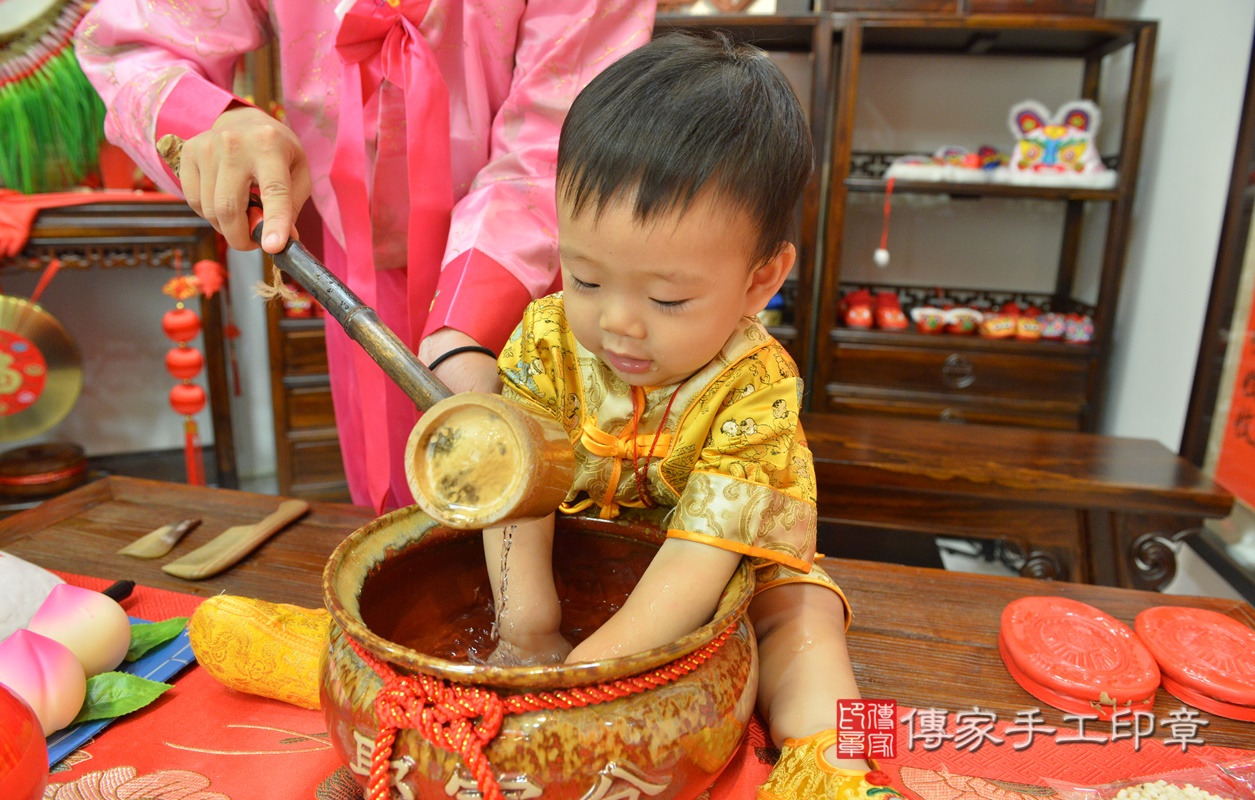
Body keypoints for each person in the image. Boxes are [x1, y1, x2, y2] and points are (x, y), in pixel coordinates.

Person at [485, 33, 892, 800]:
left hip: (722, 562)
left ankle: (843, 768)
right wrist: (525, 624)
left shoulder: (757, 384)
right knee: (507, 583)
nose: (619, 326)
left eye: (667, 299)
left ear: (759, 278)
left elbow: (695, 562)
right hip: (587, 537)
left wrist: (580, 678)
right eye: (586, 278)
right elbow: (517, 490)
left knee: (803, 622)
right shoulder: (543, 338)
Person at [73, 0, 657, 512]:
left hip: (531, 281)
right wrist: (216, 119)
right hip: (355, 277)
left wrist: (464, 324)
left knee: (544, 504)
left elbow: (561, 133)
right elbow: (135, 41)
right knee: (395, 521)